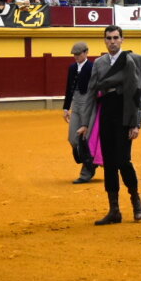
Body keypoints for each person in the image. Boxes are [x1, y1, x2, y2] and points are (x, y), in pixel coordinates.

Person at [81, 25, 141, 224]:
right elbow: (91, 93)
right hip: (106, 112)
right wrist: (85, 123)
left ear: (122, 39)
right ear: (104, 40)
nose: (112, 41)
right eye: (109, 38)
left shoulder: (132, 61)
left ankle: (135, 199)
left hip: (125, 112)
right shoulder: (99, 63)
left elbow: (139, 94)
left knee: (123, 160)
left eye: (115, 38)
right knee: (109, 163)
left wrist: (136, 123)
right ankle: (114, 211)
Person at [63, 41, 97, 183]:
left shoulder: (92, 67)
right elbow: (69, 87)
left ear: (86, 53)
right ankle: (89, 161)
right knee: (72, 138)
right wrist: (66, 107)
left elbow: (96, 88)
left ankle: (86, 172)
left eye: (78, 54)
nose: (76, 57)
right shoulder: (72, 68)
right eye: (74, 55)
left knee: (86, 140)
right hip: (76, 103)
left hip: (88, 103)